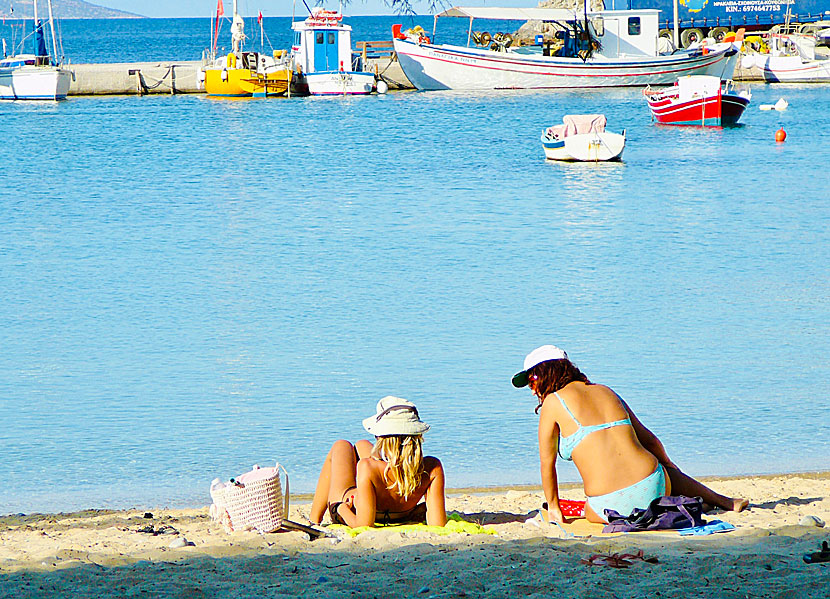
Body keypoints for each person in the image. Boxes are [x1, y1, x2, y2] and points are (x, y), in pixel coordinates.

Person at [512, 345, 749, 524]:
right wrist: (671, 469)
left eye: (532, 379)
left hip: (608, 504)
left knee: (587, 511)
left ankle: (696, 501)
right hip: (655, 486)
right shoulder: (606, 391)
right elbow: (650, 440)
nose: (532, 389)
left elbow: (547, 464)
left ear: (548, 373)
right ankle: (724, 502)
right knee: (662, 469)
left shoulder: (553, 403)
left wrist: (554, 508)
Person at [309, 396, 447, 528]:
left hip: (354, 509)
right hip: (402, 514)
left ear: (382, 438)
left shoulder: (367, 467)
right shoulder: (433, 467)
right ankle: (391, 463)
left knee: (341, 445)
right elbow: (438, 523)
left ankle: (314, 520)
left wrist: (341, 508)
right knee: (362, 444)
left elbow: (363, 525)